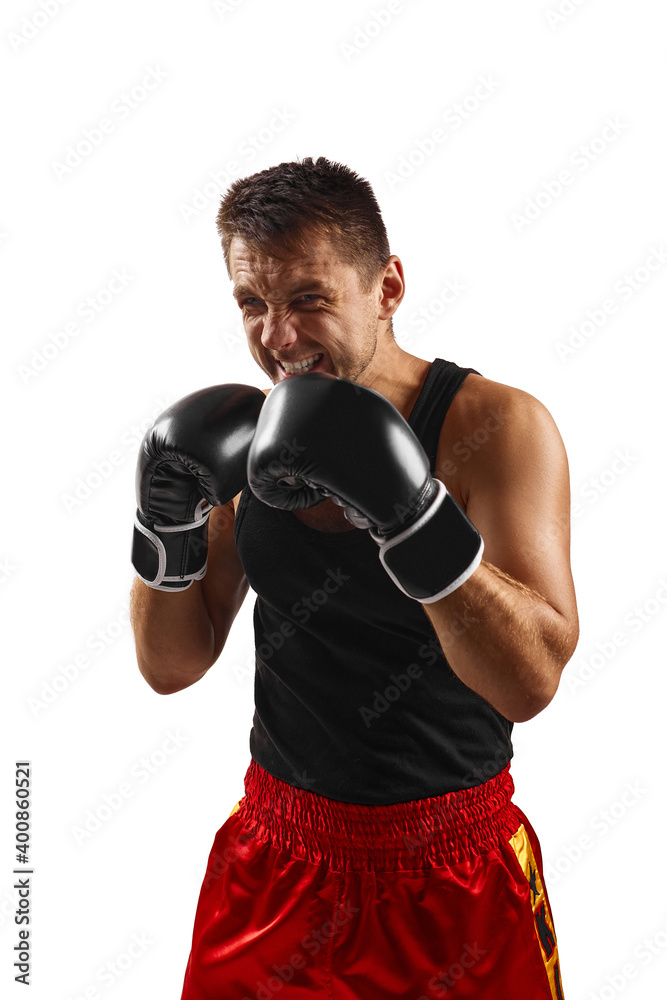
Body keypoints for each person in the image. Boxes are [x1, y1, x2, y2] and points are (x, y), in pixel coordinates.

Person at [129, 156, 578, 999]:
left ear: (388, 286)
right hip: (276, 861)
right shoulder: (245, 437)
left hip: (455, 875)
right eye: (252, 305)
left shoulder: (498, 427)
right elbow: (171, 664)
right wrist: (165, 523)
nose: (277, 338)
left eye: (308, 299)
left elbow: (530, 681)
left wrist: (411, 517)